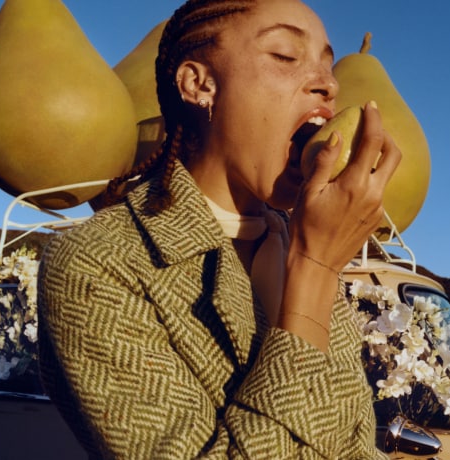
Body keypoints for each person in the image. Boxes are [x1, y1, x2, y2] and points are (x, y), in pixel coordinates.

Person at [37, 0, 401, 458]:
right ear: (199, 84)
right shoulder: (98, 261)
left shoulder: (295, 240)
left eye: (328, 68)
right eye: (286, 55)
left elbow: (349, 442)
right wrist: (315, 270)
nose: (329, 85)